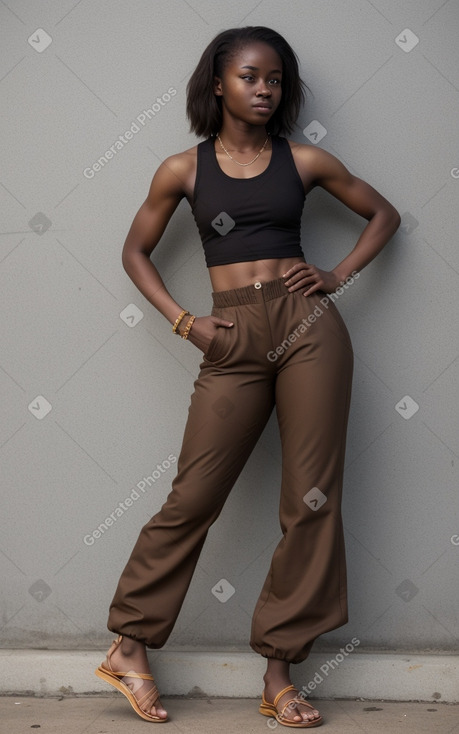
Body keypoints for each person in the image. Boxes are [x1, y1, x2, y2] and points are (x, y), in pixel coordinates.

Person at [95, 26, 400, 728]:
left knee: (311, 498)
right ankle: (129, 648)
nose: (265, 89)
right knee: (192, 494)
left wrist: (336, 275)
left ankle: (279, 674)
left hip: (307, 329)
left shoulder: (304, 160)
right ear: (218, 85)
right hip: (228, 332)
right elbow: (135, 251)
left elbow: (382, 214)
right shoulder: (183, 170)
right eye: (251, 77)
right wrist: (184, 322)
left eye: (275, 80)